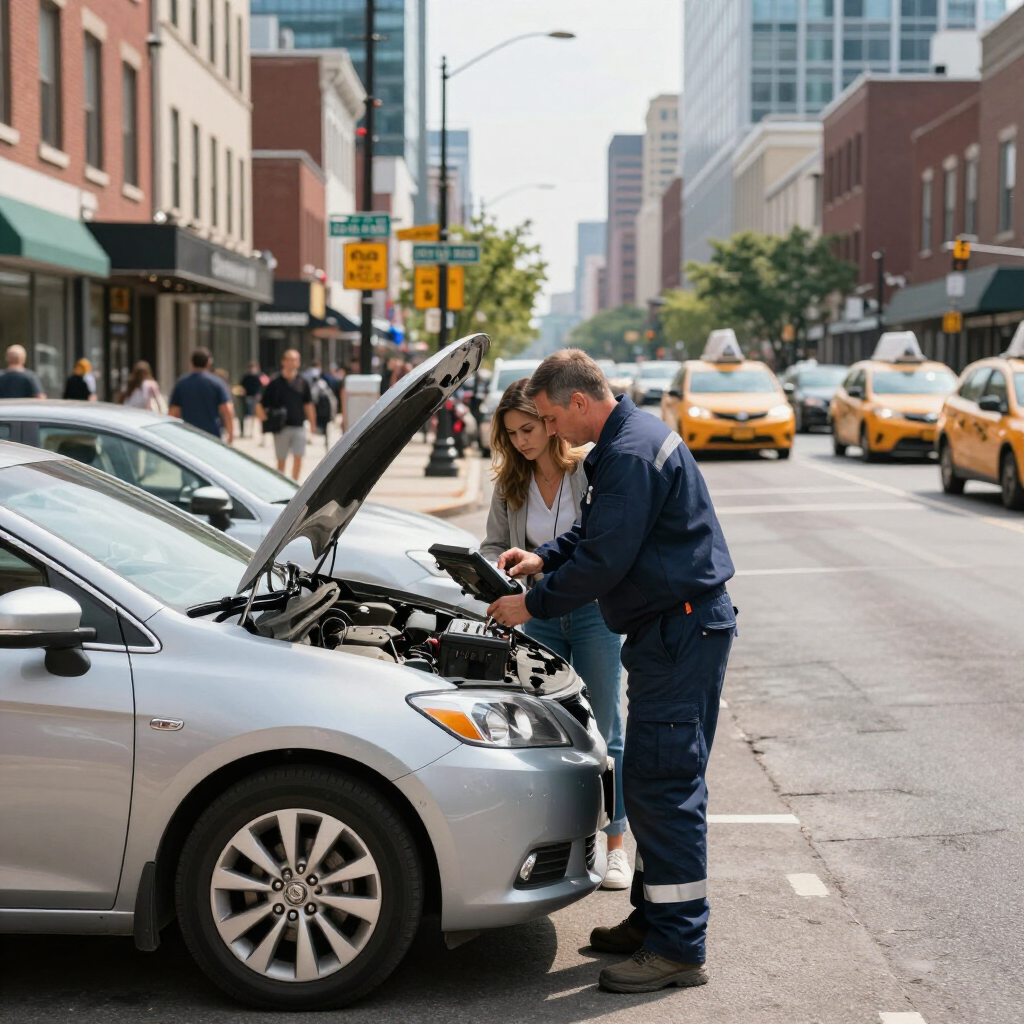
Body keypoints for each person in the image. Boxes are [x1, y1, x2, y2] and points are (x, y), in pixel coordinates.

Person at [486, 349, 735, 995]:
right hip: (672, 630)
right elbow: (593, 538)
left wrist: (531, 604)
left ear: (577, 401)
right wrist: (540, 560)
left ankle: (679, 947)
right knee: (654, 779)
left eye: (548, 416)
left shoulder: (624, 454)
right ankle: (655, 921)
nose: (550, 430)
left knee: (664, 781)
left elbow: (604, 562)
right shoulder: (628, 441)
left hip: (679, 631)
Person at [480, 379, 631, 890]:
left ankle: (615, 845)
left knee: (605, 730)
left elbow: (596, 543)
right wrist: (493, 569)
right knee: (543, 730)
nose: (522, 441)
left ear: (549, 423)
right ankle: (553, 840)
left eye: (529, 427)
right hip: (536, 613)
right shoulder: (510, 483)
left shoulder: (589, 468)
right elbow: (493, 544)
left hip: (591, 613)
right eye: (512, 433)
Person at [257, 349, 315, 480]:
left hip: (299, 425)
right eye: (289, 359)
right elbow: (260, 405)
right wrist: (267, 421)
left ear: (298, 362)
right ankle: (281, 484)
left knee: (298, 457)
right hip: (281, 427)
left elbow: (308, 404)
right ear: (283, 362)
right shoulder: (274, 383)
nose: (292, 363)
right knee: (281, 459)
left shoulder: (303, 382)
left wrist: (312, 422)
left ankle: (294, 484)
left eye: (295, 360)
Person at [168, 348, 235, 443]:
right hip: (212, 435)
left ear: (191, 363)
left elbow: (173, 412)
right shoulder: (217, 383)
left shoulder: (181, 383)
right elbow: (227, 410)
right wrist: (231, 433)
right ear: (209, 363)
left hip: (188, 435)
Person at [240, 362, 264, 437]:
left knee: (255, 415)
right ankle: (249, 432)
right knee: (250, 414)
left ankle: (253, 432)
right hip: (249, 396)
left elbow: (265, 383)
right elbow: (242, 386)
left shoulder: (259, 376)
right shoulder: (246, 376)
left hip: (256, 397)